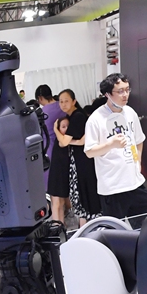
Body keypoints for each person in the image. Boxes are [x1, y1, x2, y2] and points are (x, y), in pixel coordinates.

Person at [85, 74, 147, 228]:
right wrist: (111, 144)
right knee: (115, 231)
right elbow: (89, 152)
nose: (125, 95)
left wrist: (138, 162)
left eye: (127, 90)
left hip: (135, 182)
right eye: (120, 91)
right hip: (112, 187)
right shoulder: (96, 119)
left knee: (146, 225)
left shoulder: (130, 112)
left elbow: (139, 140)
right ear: (108, 94)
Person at [54, 89, 100, 225]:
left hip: (83, 161)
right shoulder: (75, 116)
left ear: (74, 101)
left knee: (84, 192)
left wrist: (56, 130)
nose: (63, 104)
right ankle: (85, 228)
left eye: (66, 101)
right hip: (81, 159)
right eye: (61, 101)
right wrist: (77, 142)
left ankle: (90, 227)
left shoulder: (77, 116)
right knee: (82, 193)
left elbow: (63, 142)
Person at [36, 85, 65, 207]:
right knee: (65, 183)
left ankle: (58, 217)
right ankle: (68, 209)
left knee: (53, 189)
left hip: (50, 150)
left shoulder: (43, 112)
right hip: (65, 147)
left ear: (40, 98)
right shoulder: (63, 106)